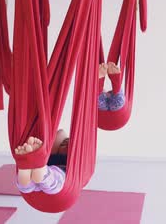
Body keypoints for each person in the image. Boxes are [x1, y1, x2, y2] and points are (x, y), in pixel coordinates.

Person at [14, 62, 124, 194]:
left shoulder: (64, 139)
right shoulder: (75, 161)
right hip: (59, 168)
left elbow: (59, 135)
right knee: (55, 180)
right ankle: (38, 172)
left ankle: (28, 170)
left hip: (50, 160)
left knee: (36, 183)